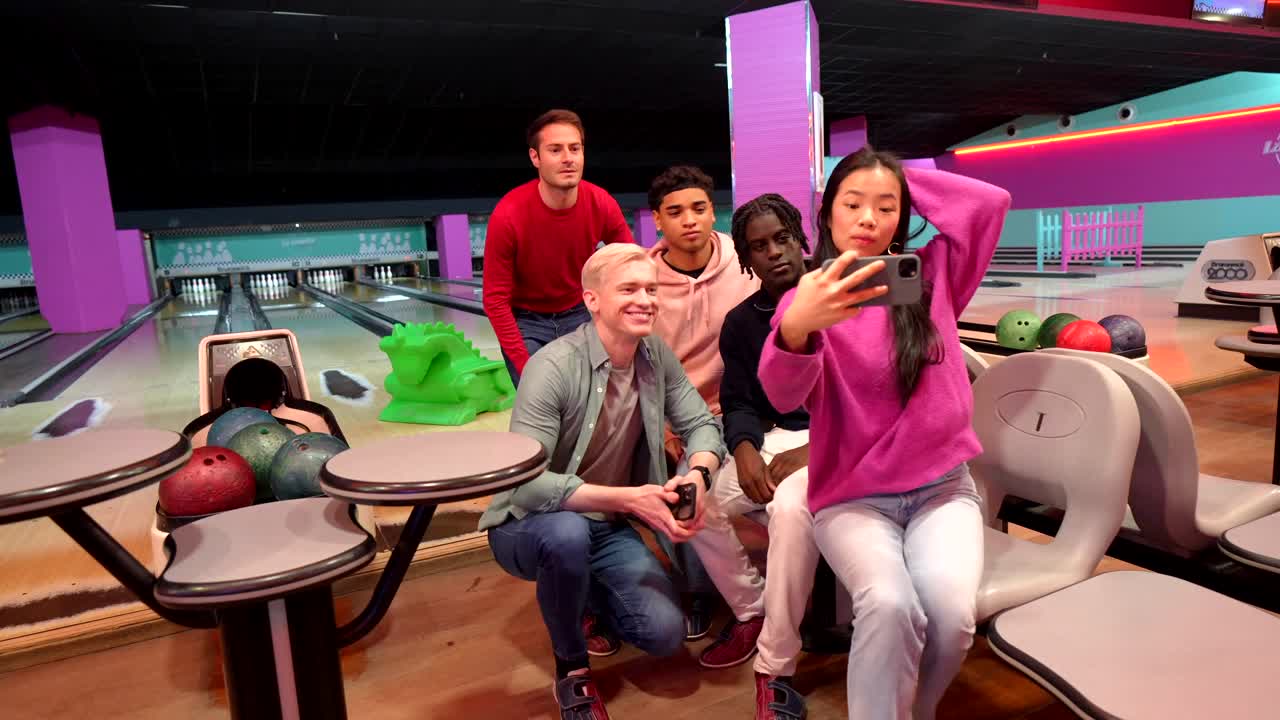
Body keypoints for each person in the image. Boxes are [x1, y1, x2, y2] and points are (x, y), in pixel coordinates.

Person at [758, 147, 1011, 720]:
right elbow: (782, 396)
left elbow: (989, 204)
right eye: (852, 204)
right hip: (853, 497)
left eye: (885, 207)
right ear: (827, 212)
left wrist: (893, 177)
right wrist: (797, 329)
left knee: (953, 620)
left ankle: (917, 711)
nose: (868, 218)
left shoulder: (933, 276)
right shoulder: (809, 298)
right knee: (891, 604)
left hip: (941, 488)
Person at [479, 243, 740, 720]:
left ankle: (582, 591)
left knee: (664, 634)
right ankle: (572, 669)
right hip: (528, 522)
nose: (645, 300)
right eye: (629, 289)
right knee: (566, 534)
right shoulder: (551, 367)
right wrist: (630, 500)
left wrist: (699, 475)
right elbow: (526, 483)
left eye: (651, 289)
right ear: (592, 300)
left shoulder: (655, 355)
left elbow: (702, 425)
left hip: (605, 525)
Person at [643, 165, 763, 642]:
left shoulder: (744, 262)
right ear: (658, 220)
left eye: (698, 208)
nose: (689, 220)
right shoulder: (645, 280)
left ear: (713, 212)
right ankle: (697, 591)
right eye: (675, 212)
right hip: (682, 416)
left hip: (742, 409)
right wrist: (665, 428)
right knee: (680, 490)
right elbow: (641, 364)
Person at [714, 193, 817, 720]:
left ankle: (775, 666)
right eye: (759, 246)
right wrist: (744, 448)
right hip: (775, 440)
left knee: (788, 510)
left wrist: (815, 449)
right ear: (747, 259)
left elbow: (871, 401)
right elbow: (737, 401)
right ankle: (753, 606)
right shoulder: (741, 323)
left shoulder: (842, 297)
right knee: (697, 501)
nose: (774, 252)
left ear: (801, 238)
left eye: (782, 238)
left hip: (839, 442)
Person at [481, 108, 634, 386]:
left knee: (594, 401)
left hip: (580, 312)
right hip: (527, 322)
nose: (568, 158)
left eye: (575, 148)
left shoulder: (600, 202)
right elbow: (495, 300)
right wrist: (525, 365)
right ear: (535, 157)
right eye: (555, 150)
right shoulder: (508, 214)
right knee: (543, 400)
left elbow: (632, 264)